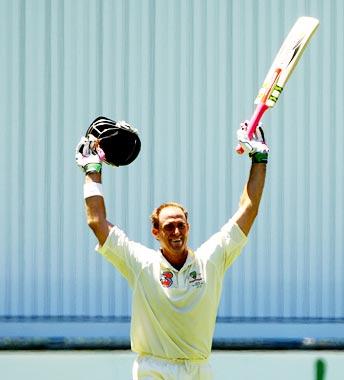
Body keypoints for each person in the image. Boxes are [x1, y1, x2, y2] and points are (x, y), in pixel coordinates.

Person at [75, 120, 269, 380]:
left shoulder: (211, 258)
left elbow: (249, 209)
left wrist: (259, 158)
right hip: (153, 368)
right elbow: (96, 221)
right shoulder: (140, 262)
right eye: (168, 227)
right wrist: (92, 169)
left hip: (198, 368)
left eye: (180, 225)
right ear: (156, 232)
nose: (176, 232)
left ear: (188, 226)